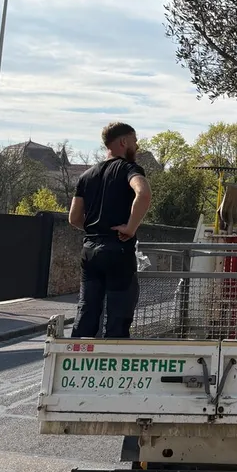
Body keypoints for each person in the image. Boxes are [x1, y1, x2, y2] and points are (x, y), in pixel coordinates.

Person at [69, 122, 152, 338]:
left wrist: (96, 229)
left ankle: (77, 358)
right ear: (124, 142)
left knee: (87, 310)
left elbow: (74, 218)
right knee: (118, 316)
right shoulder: (129, 169)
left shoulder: (86, 175)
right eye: (134, 141)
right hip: (118, 249)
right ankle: (111, 364)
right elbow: (143, 193)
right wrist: (131, 227)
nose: (137, 145)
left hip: (89, 250)